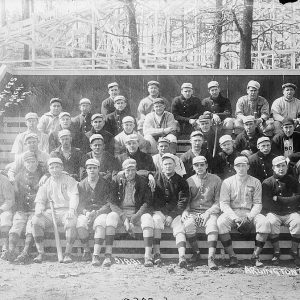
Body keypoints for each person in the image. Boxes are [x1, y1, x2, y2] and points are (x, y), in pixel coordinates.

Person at [217, 156, 270, 267]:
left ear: (248, 166)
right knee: (221, 223)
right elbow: (224, 203)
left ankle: (255, 256)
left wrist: (249, 217)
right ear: (234, 167)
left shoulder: (255, 182)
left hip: (250, 212)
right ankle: (232, 256)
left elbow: (258, 203)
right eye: (238, 166)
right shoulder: (227, 182)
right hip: (233, 212)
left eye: (243, 165)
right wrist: (235, 217)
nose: (241, 168)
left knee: (264, 223)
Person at [31, 158, 78, 263]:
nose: (55, 169)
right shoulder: (46, 182)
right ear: (49, 170)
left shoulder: (69, 180)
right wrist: (39, 208)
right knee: (35, 221)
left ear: (62, 168)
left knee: (71, 221)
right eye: (52, 167)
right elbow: (40, 199)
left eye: (57, 167)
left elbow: (74, 196)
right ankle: (41, 253)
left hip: (66, 210)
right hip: (50, 212)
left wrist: (72, 209)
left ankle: (67, 254)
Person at [111, 158, 154, 267]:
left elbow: (147, 202)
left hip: (137, 211)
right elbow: (112, 202)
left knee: (148, 219)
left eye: (133, 170)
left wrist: (135, 218)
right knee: (111, 217)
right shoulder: (117, 180)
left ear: (136, 170)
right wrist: (124, 218)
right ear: (123, 170)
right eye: (127, 170)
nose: (130, 173)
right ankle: (107, 255)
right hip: (122, 211)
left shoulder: (142, 181)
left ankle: (148, 256)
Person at [182, 156, 221, 270]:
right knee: (188, 224)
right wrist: (185, 210)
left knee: (213, 225)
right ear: (193, 167)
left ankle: (211, 258)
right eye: (196, 165)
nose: (199, 167)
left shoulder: (216, 179)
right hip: (193, 211)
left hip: (210, 211)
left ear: (206, 165)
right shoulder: (189, 181)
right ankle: (196, 252)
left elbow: (219, 201)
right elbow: (187, 201)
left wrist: (209, 211)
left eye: (202, 165)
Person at [76, 159, 118, 267]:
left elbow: (110, 202)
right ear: (86, 170)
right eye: (89, 168)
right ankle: (86, 251)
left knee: (100, 224)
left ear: (98, 169)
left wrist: (98, 212)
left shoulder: (106, 183)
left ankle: (96, 255)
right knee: (80, 224)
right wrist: (86, 212)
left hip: (101, 211)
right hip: (87, 212)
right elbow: (79, 204)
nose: (92, 170)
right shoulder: (81, 184)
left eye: (94, 168)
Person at [4, 152, 44, 263]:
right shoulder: (18, 176)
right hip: (21, 208)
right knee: (16, 225)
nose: (31, 164)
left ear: (37, 163)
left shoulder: (42, 175)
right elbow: (15, 194)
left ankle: (25, 253)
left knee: (30, 228)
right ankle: (11, 251)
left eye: (33, 162)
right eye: (28, 162)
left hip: (35, 209)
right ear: (24, 164)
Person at [262, 156, 300, 266]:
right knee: (272, 222)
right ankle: (276, 253)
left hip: (290, 212)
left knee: (298, 222)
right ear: (273, 168)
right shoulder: (267, 182)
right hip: (274, 212)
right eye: (278, 166)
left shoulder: (293, 181)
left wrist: (278, 199)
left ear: (287, 167)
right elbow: (267, 203)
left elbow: (297, 199)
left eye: (283, 165)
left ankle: (294, 252)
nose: (281, 168)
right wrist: (289, 201)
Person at [152, 153, 189, 267]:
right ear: (162, 166)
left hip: (175, 213)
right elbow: (154, 199)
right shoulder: (156, 177)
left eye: (170, 164)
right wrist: (163, 212)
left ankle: (182, 256)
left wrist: (171, 215)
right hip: (160, 211)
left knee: (179, 227)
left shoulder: (181, 181)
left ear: (175, 165)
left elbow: (182, 201)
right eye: (166, 164)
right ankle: (157, 253)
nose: (168, 166)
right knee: (156, 221)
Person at [0, 173, 14, 260]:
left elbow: (10, 200)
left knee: (5, 218)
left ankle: (5, 248)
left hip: (3, 208)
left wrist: (1, 209)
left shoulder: (3, 180)